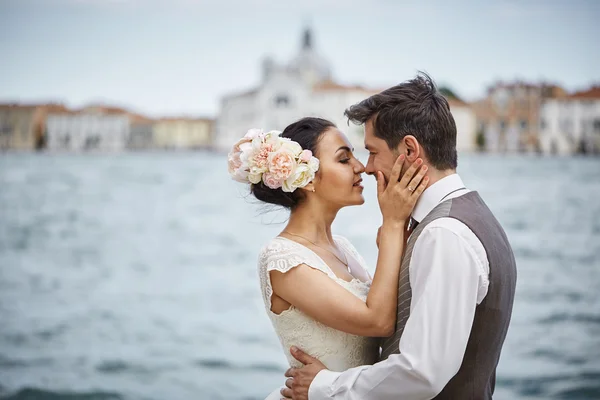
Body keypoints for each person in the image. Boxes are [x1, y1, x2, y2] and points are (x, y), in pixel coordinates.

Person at [280, 73, 517, 400]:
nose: (368, 167)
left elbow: (422, 373)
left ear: (408, 149)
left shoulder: (444, 234)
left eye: (373, 152)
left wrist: (322, 386)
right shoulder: (469, 217)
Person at [227, 117, 428, 400]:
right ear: (306, 179)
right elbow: (378, 321)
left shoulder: (344, 248)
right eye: (344, 160)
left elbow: (388, 324)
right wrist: (394, 222)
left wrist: (394, 245)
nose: (360, 167)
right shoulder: (283, 259)